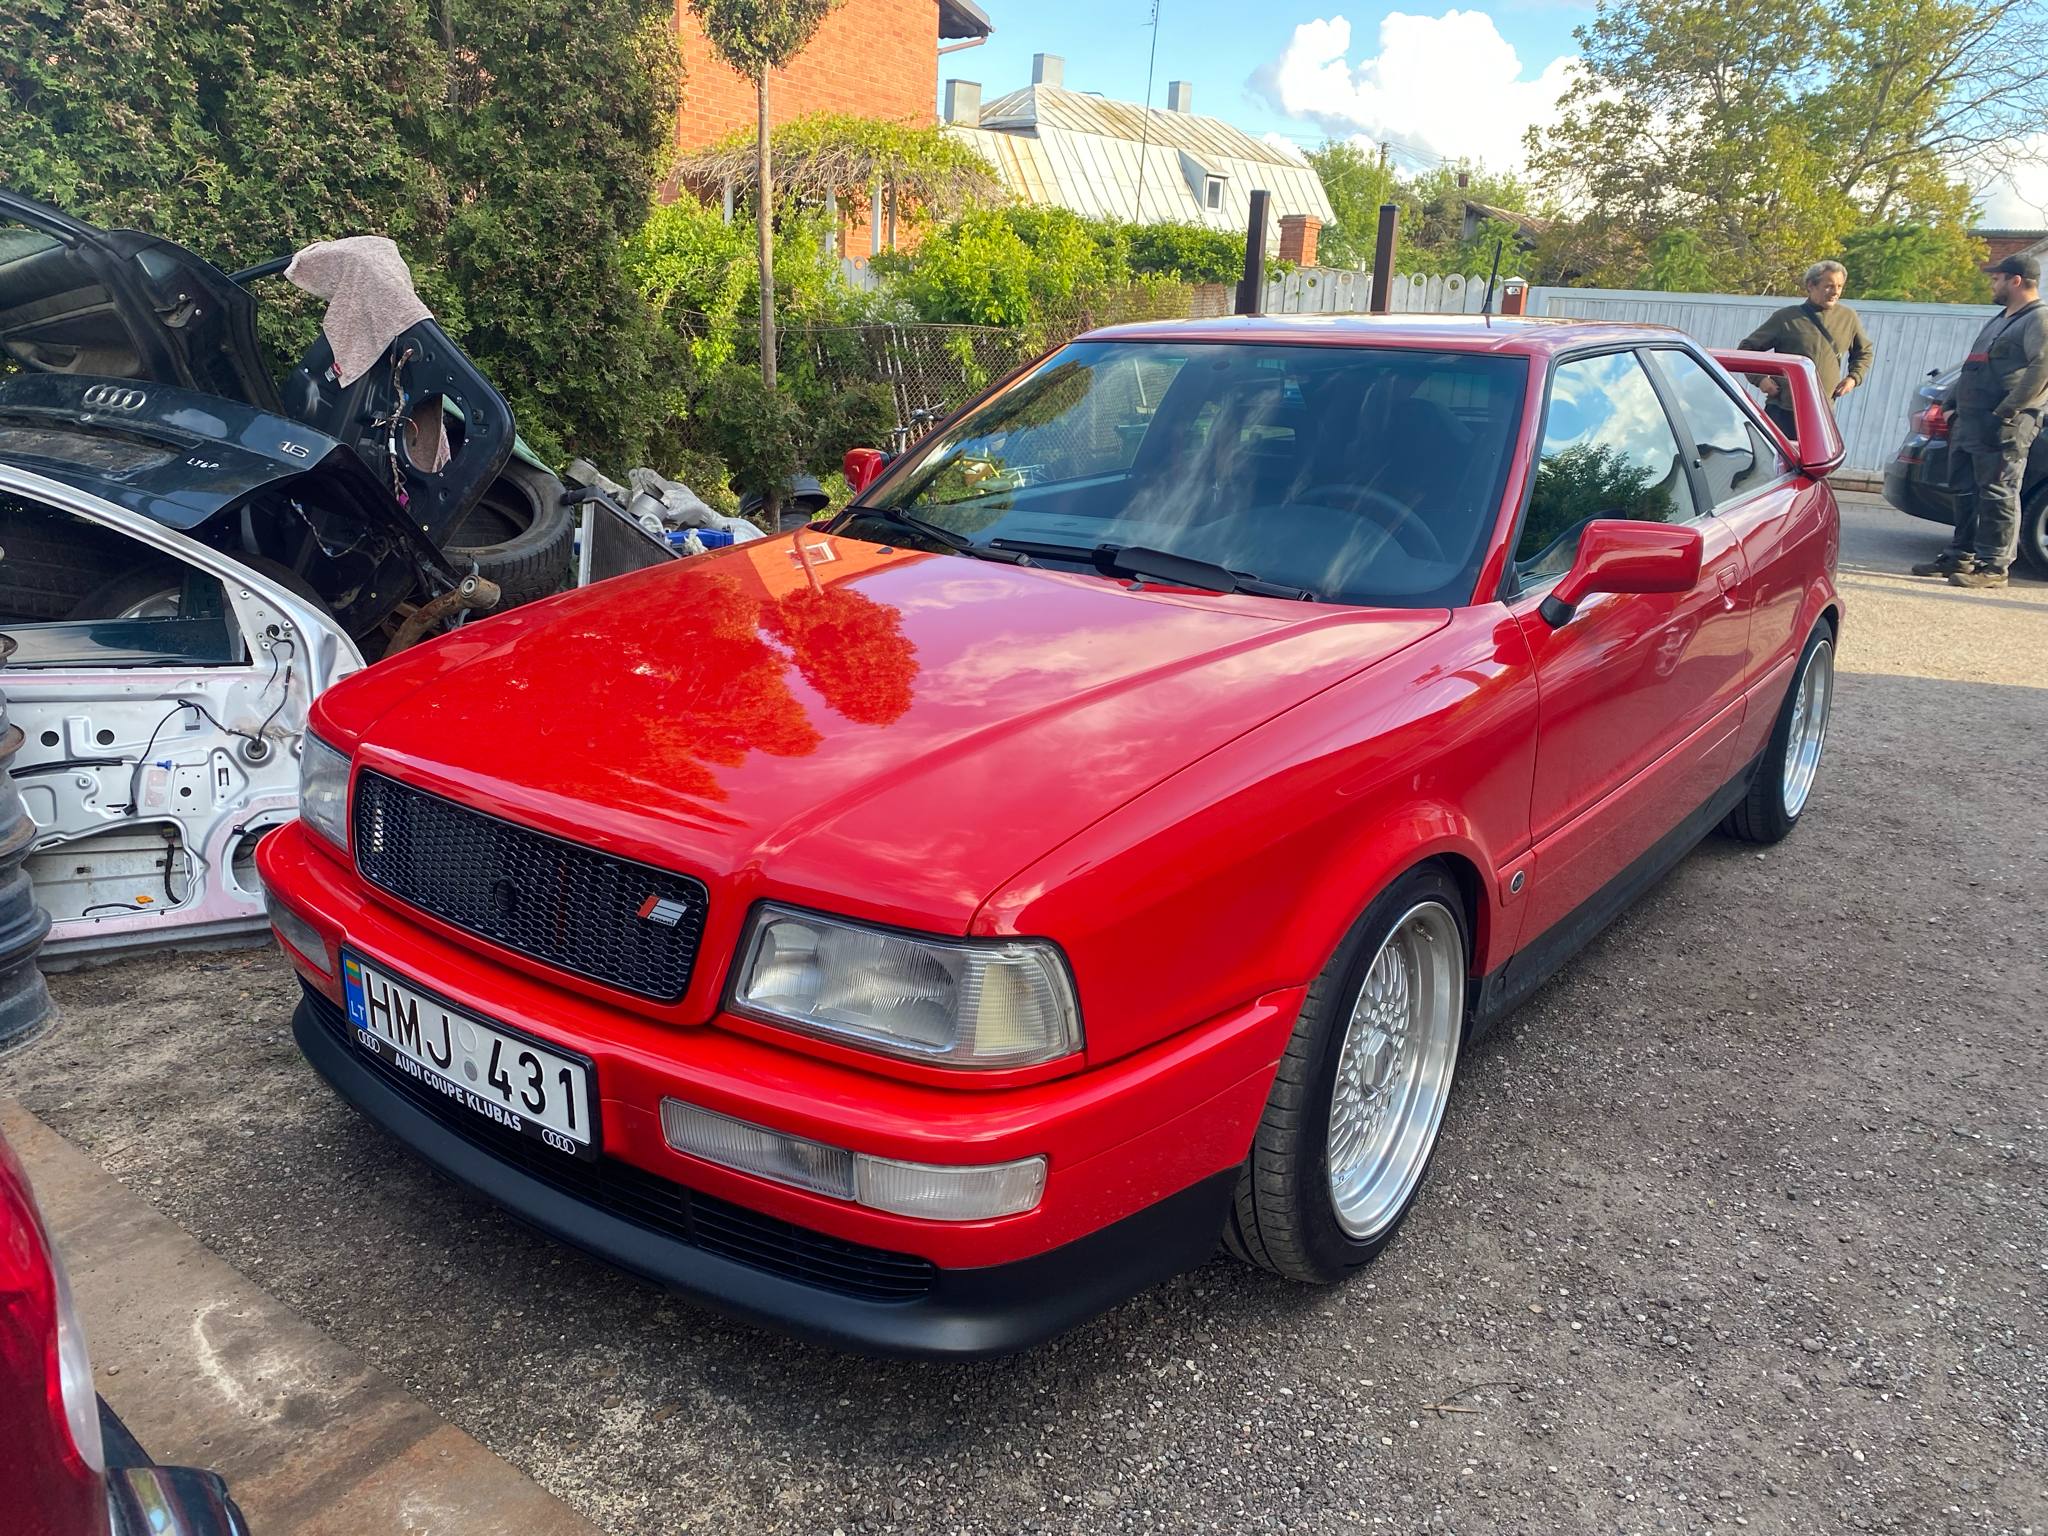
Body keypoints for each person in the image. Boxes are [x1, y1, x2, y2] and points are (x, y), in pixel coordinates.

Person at [1912, 254, 2048, 589]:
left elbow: (2042, 367)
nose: (1992, 284)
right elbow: (1975, 365)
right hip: (1970, 422)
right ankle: (1959, 556)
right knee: (1965, 490)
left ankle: (1994, 566)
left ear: (2016, 280)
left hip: (2003, 424)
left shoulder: (2038, 319)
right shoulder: (2001, 319)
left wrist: (2007, 411)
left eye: (1996, 279)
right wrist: (1949, 405)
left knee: (1998, 492)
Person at [1738, 261, 1874, 438]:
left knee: (1818, 456)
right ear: (1811, 285)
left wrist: (1853, 378)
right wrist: (1760, 379)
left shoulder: (1848, 317)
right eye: (1829, 286)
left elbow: (1864, 352)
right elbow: (1747, 349)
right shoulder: (1786, 317)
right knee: (1775, 455)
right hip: (1782, 410)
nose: (1835, 292)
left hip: (1822, 411)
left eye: (1840, 286)